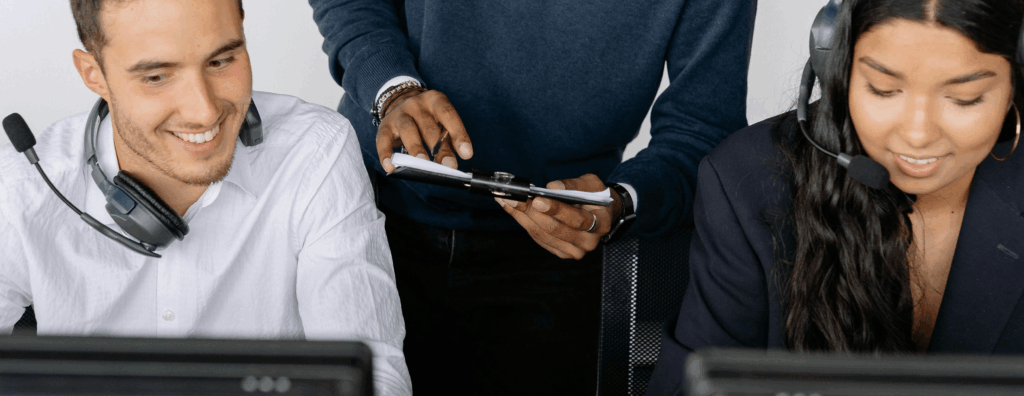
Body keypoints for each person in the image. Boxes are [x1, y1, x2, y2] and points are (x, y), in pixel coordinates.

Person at [308, 0, 756, 393]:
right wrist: (392, 87)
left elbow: (702, 127)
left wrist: (618, 203)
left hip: (560, 256)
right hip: (373, 218)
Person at [0, 1, 411, 394]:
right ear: (95, 75)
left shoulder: (316, 151)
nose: (203, 111)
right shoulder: (23, 184)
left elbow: (375, 376)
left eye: (221, 61)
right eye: (157, 76)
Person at [646, 0, 1024, 394]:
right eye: (883, 90)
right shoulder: (747, 181)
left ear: (1015, 79)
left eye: (964, 98)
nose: (918, 133)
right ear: (836, 68)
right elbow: (691, 384)